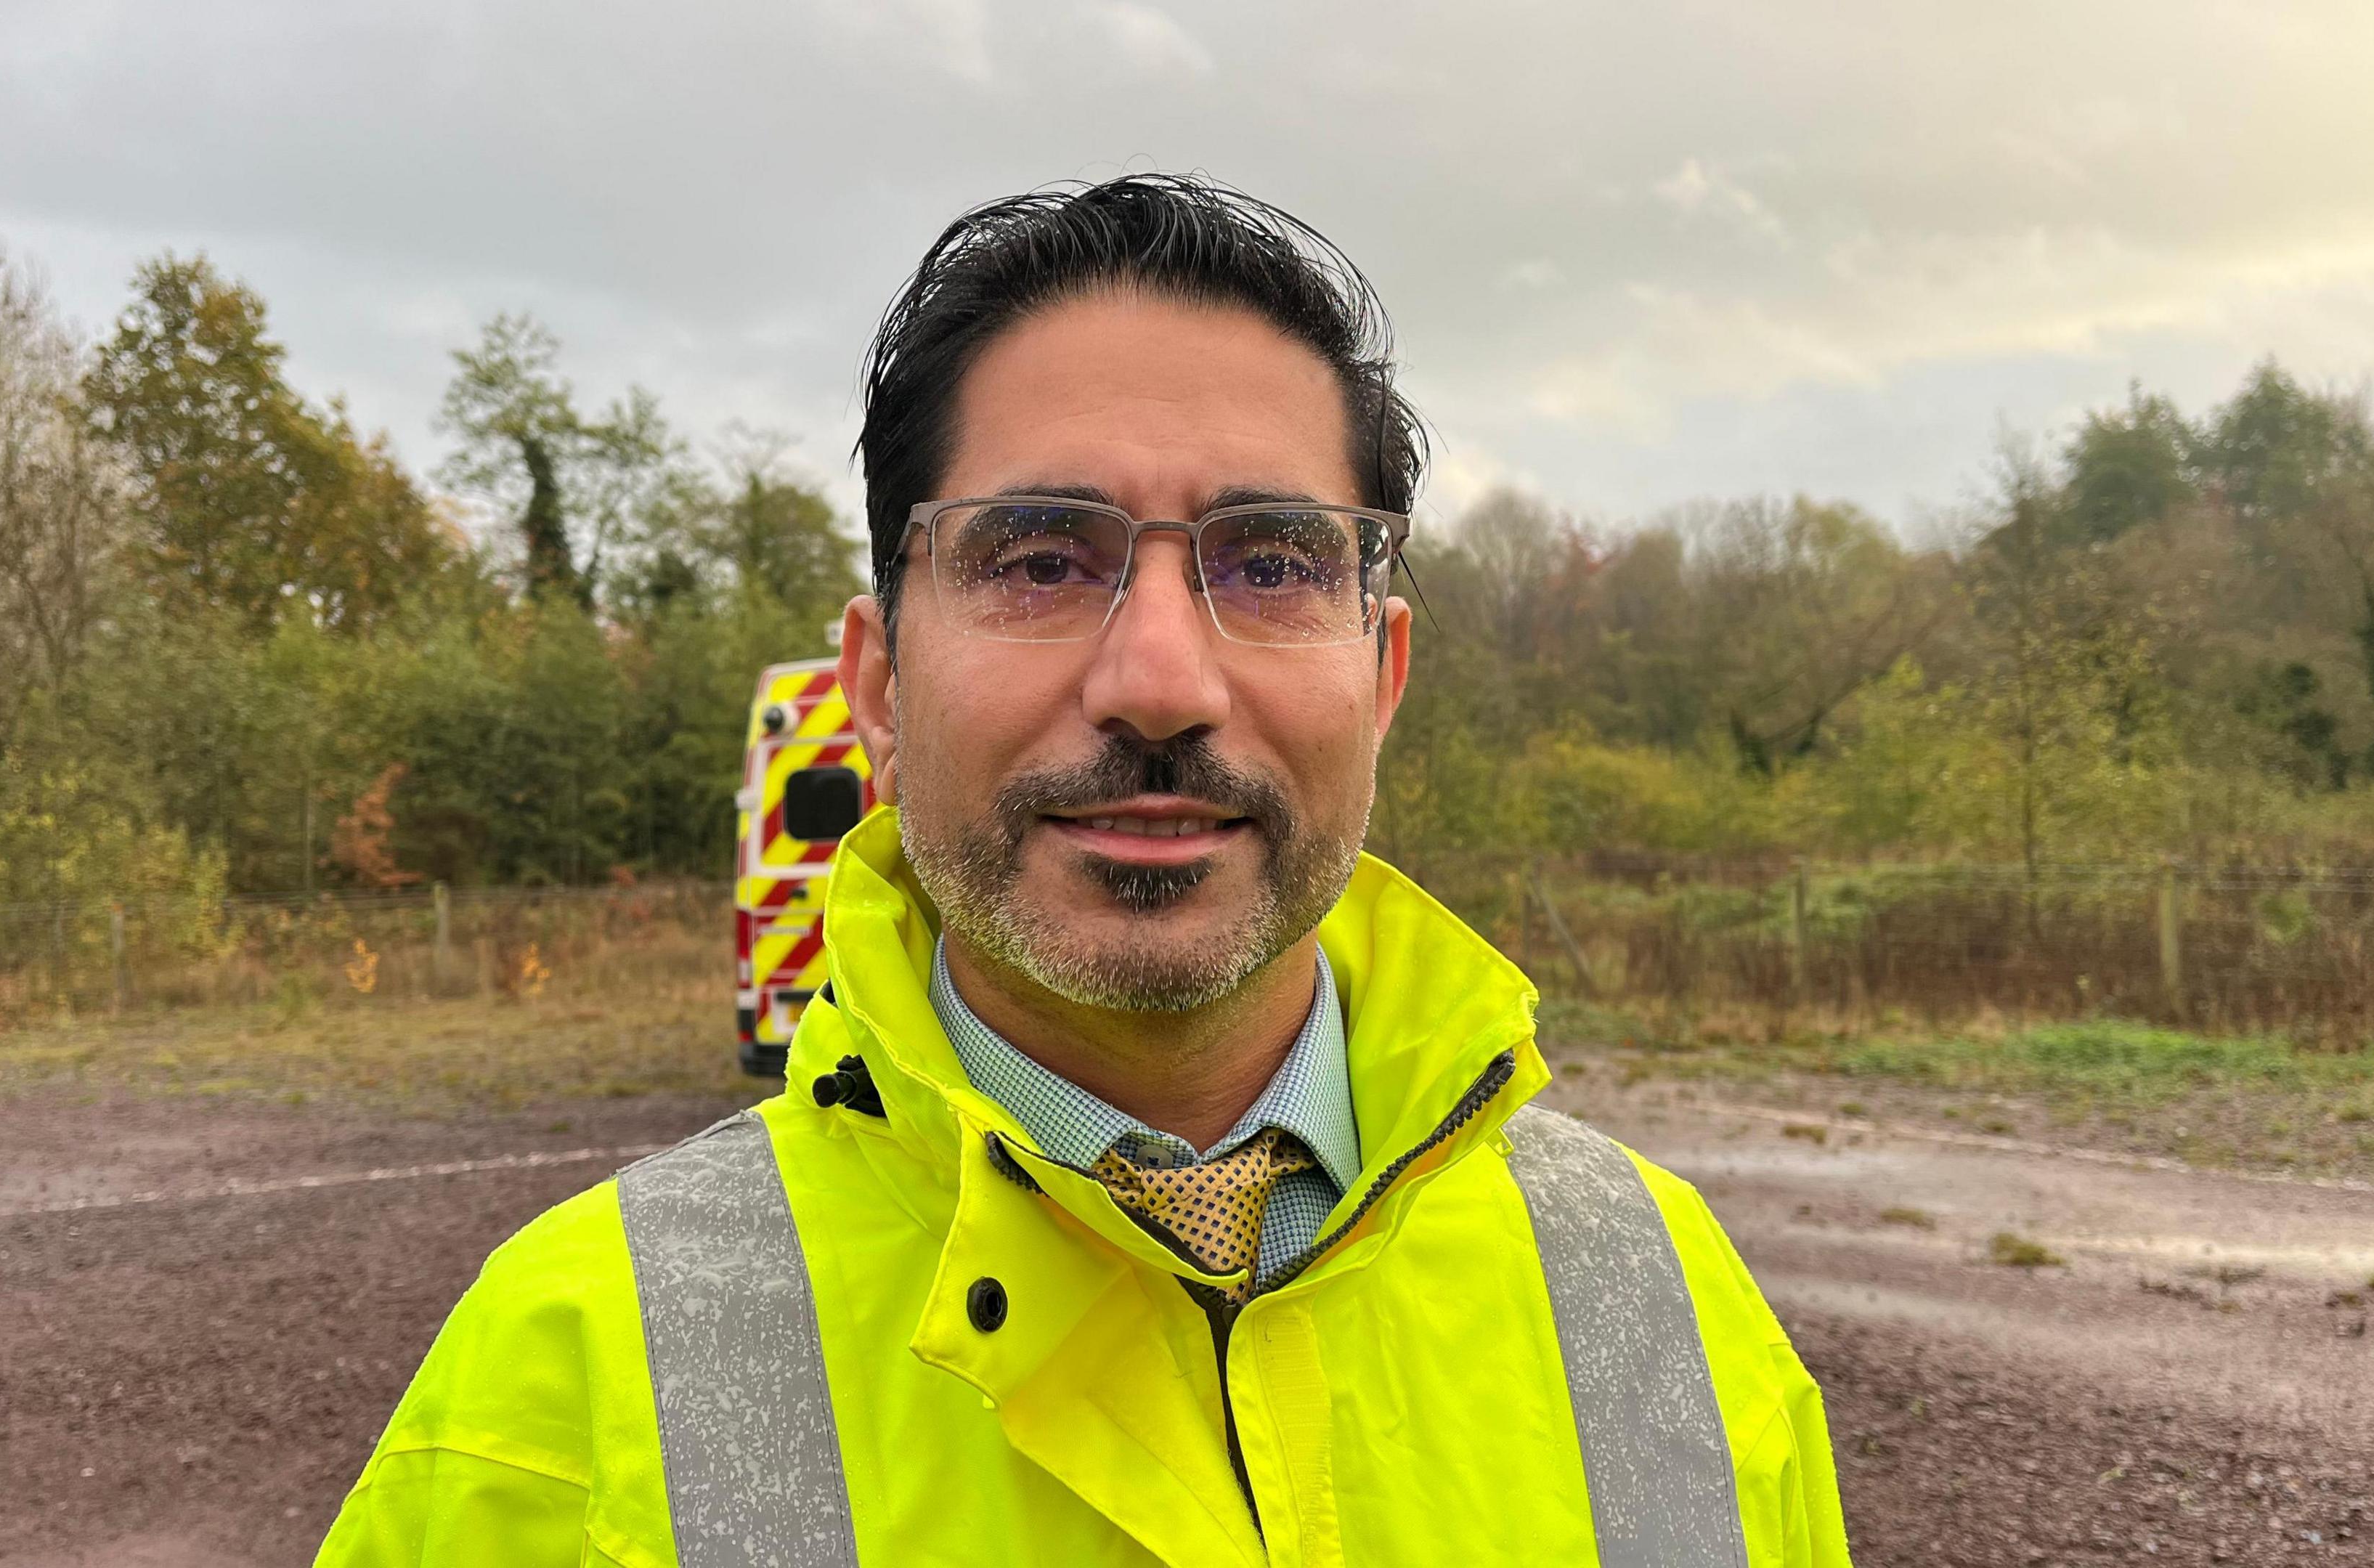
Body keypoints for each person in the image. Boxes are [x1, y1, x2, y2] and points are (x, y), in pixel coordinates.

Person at [317, 173, 1849, 1567]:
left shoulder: (1670, 1308)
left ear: (1380, 677)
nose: (1164, 681)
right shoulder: (555, 1384)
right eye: (1041, 558)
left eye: (1272, 562)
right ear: (880, 687)